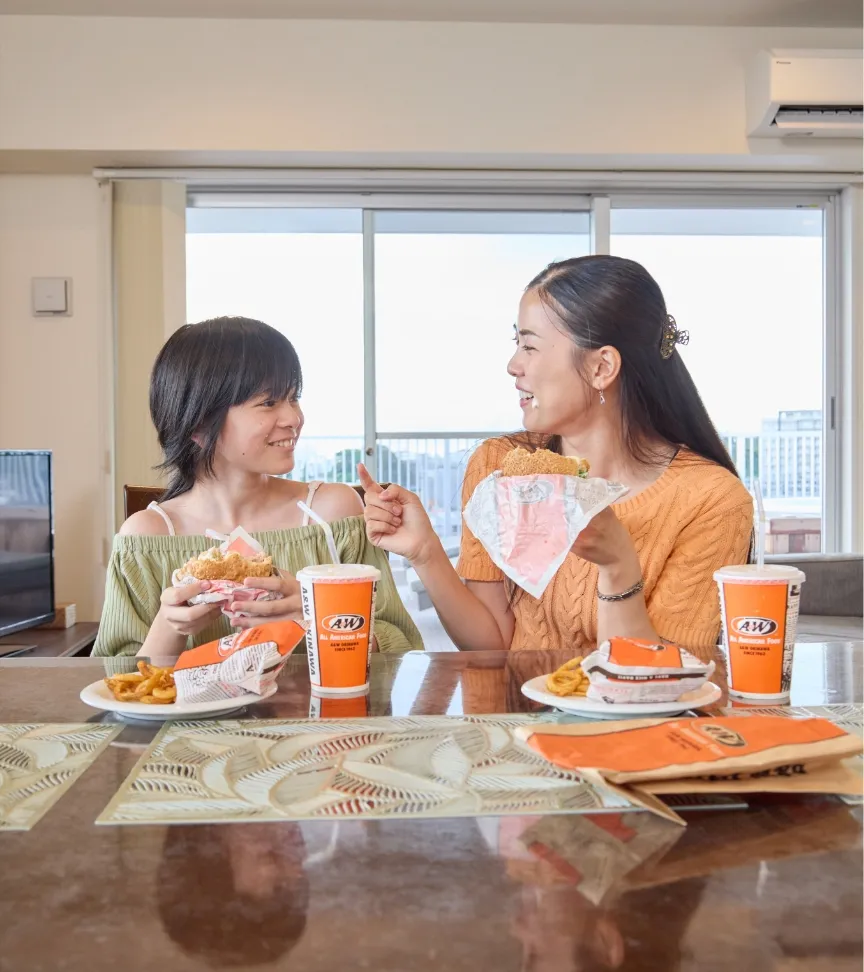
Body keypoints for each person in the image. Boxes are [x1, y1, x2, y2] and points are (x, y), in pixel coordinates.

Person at [360, 256, 752, 661]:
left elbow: (667, 679)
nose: (513, 365)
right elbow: (492, 647)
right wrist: (425, 551)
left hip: (633, 703)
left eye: (529, 346)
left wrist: (618, 567)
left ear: (602, 367)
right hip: (515, 704)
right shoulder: (500, 465)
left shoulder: (713, 501)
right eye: (516, 344)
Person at [93, 316, 421, 657]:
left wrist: (318, 617)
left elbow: (400, 645)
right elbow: (117, 677)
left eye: (293, 398)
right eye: (268, 403)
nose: (293, 418)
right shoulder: (147, 538)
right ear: (199, 424)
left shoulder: (332, 513)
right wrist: (170, 626)